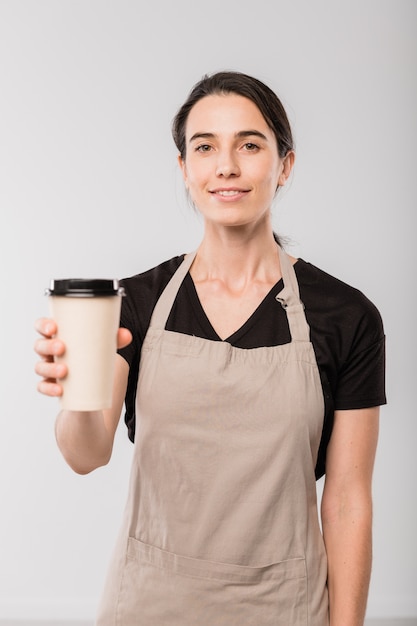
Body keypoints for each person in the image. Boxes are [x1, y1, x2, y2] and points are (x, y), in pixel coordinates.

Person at [34, 71, 386, 626]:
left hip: (286, 607)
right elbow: (87, 454)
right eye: (205, 148)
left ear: (285, 165)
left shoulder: (346, 317)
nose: (226, 166)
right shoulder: (135, 304)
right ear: (184, 169)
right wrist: (75, 392)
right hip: (148, 603)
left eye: (250, 144)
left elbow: (346, 500)